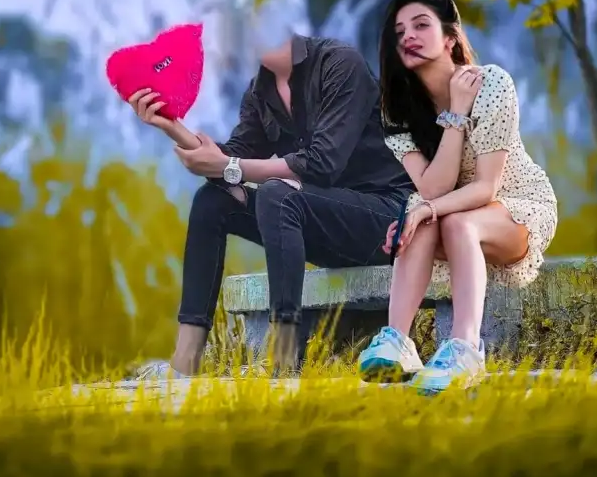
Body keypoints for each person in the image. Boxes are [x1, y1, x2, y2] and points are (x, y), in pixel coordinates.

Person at [126, 24, 414, 377]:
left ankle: (284, 359)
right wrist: (171, 124)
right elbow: (229, 162)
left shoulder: (339, 63)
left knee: (278, 193)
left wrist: (229, 166)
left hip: (385, 221)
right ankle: (184, 362)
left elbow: (321, 164)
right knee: (212, 200)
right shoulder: (260, 91)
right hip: (326, 222)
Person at [358, 0, 558, 391]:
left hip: (516, 206)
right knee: (424, 219)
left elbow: (485, 187)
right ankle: (398, 341)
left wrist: (425, 208)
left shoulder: (492, 84)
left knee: (449, 221)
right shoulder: (396, 110)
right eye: (398, 31)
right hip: (452, 208)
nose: (408, 36)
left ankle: (466, 348)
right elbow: (434, 188)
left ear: (450, 37)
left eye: (420, 25)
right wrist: (454, 115)